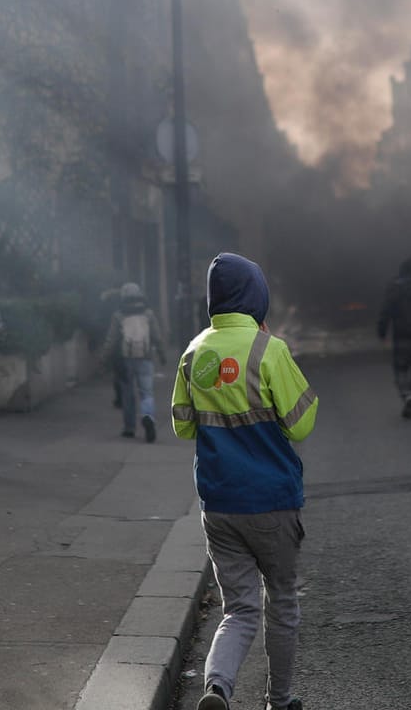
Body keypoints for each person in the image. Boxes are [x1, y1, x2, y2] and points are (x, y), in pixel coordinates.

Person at [172, 253, 318, 710]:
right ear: (257, 297)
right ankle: (279, 700)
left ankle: (217, 688)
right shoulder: (267, 350)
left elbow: (182, 425)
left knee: (237, 609)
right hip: (272, 501)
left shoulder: (194, 351)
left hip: (219, 505)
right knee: (282, 603)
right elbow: (301, 424)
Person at [104, 282, 168, 441]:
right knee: (146, 392)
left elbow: (112, 340)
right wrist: (162, 353)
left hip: (126, 360)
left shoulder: (119, 315)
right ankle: (148, 416)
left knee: (128, 394)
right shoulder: (148, 314)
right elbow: (157, 336)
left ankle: (129, 428)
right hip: (145, 358)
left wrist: (104, 357)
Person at [377, 258, 411, 417]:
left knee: (401, 369)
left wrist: (382, 330)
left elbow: (386, 311)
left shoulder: (395, 289)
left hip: (402, 336)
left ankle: (407, 395)